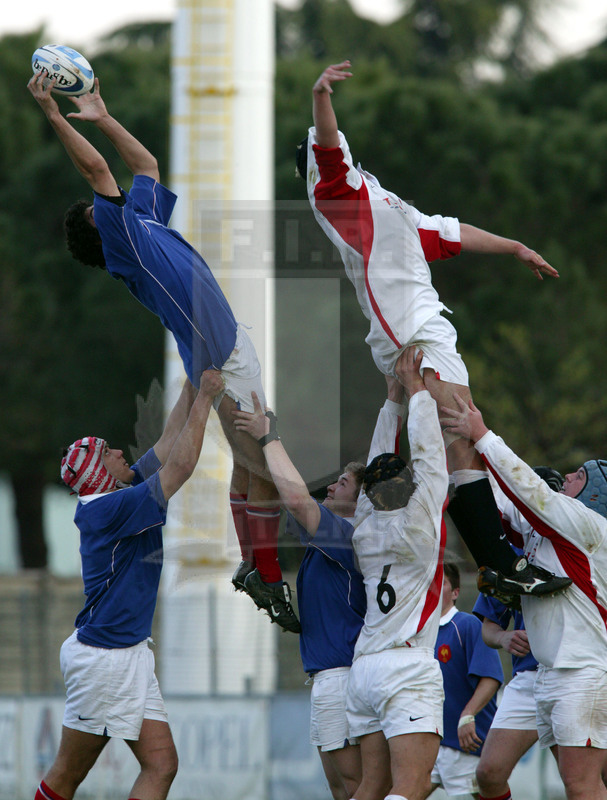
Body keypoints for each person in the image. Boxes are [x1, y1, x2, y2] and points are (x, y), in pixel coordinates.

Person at [27, 72, 299, 633]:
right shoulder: (122, 237)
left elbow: (145, 165)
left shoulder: (138, 219)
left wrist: (102, 116)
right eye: (96, 210)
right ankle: (263, 569)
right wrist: (54, 115)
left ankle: (257, 568)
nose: (109, 201)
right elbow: (98, 170)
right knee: (264, 459)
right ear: (97, 230)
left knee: (251, 464)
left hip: (220, 344)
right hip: (219, 350)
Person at [298, 60, 570, 603]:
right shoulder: (338, 194)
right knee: (461, 437)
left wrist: (515, 247)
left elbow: (450, 231)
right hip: (413, 335)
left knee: (453, 445)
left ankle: (495, 562)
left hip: (425, 332)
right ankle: (497, 562)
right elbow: (328, 146)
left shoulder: (386, 205)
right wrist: (321, 97)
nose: (345, 155)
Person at [33, 370, 224, 800]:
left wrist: (193, 383)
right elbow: (181, 465)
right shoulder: (111, 508)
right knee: (66, 776)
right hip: (105, 659)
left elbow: (166, 442)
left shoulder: (116, 494)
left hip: (126, 651)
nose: (120, 451)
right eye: (108, 452)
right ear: (99, 473)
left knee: (162, 765)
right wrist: (208, 398)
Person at [234, 374, 406, 800]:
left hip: (344, 675)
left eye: (342, 484)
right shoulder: (331, 532)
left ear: (361, 500)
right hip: (328, 677)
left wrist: (270, 437)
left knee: (358, 787)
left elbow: (296, 499)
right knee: (342, 788)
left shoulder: (346, 536)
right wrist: (250, 444)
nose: (331, 486)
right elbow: (269, 486)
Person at [441, 393, 607, 800]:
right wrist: (451, 434)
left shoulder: (589, 528)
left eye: (577, 477)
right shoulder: (553, 532)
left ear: (595, 497)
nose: (566, 477)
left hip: (583, 672)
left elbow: (532, 494)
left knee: (581, 784)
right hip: (552, 673)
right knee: (548, 780)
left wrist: (482, 434)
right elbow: (495, 498)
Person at [332, 346, 447, 800]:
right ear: (408, 488)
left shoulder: (363, 523)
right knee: (412, 787)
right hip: (406, 665)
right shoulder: (419, 524)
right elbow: (430, 455)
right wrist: (418, 392)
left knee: (372, 788)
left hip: (365, 667)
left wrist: (392, 399)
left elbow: (379, 459)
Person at [472, 467, 565, 800]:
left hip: (573, 674)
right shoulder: (510, 555)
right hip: (528, 679)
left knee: (585, 780)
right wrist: (504, 639)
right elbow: (488, 627)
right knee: (488, 774)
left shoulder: (579, 545)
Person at [430, 563, 503, 799]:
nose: (432, 587)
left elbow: (491, 678)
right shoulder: (418, 634)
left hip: (465, 746)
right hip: (428, 742)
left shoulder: (466, 625)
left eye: (441, 582)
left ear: (455, 593)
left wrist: (467, 715)